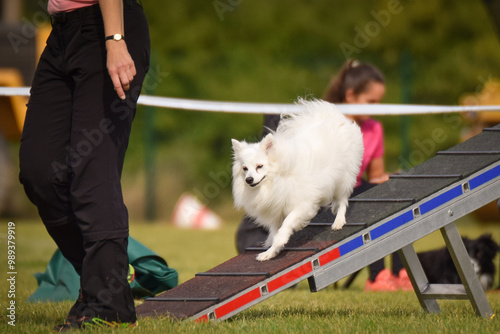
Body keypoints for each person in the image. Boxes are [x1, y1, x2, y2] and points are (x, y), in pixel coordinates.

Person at [19, 0, 150, 330]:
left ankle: (109, 306)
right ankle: (106, 278)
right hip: (61, 34)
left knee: (92, 173)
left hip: (107, 28)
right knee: (40, 172)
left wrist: (115, 39)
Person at [235, 59, 411, 291]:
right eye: (372, 102)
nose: (376, 107)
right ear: (350, 96)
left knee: (393, 195)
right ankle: (377, 275)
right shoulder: (323, 124)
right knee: (370, 201)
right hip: (317, 190)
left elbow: (376, 175)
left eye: (379, 102)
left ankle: (401, 271)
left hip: (350, 189)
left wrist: (395, 182)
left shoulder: (374, 129)